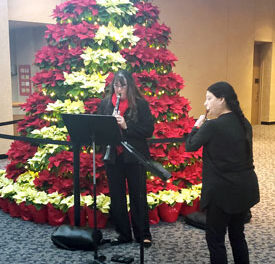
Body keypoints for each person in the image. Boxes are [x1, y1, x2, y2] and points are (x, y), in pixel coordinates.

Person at [185, 82, 260, 264]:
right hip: (244, 187)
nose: (206, 103)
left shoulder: (212, 126)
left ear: (222, 99)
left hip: (222, 191)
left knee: (215, 239)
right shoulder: (244, 123)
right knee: (237, 235)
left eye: (209, 98)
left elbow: (190, 146)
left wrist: (196, 126)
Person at [98, 70, 154, 247]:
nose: (119, 88)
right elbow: (99, 129)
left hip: (134, 156)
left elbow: (148, 130)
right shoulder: (106, 104)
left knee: (138, 196)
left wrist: (125, 125)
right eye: (116, 85)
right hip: (113, 156)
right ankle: (123, 234)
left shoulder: (140, 104)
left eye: (122, 85)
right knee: (117, 196)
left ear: (129, 86)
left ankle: (143, 234)